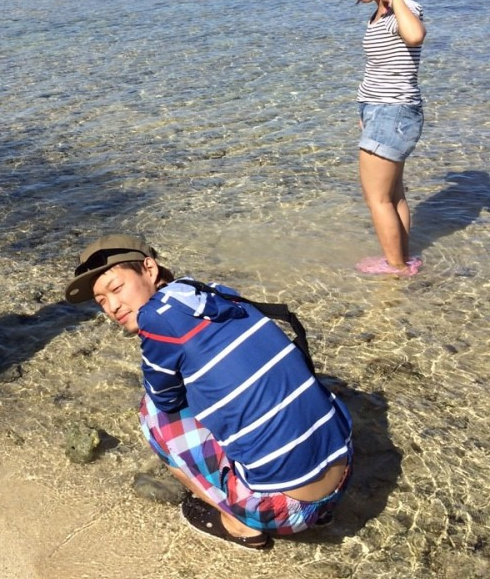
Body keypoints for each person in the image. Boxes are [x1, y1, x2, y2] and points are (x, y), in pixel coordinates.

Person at [65, 234, 353, 549]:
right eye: (101, 301)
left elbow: (165, 400)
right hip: (343, 475)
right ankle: (309, 504)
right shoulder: (214, 293)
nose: (113, 307)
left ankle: (240, 525)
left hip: (284, 512)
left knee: (152, 413)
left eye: (117, 288)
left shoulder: (155, 318)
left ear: (149, 269)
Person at [326, 0, 426, 276]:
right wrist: (366, 113)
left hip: (392, 112)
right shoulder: (380, 13)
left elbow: (415, 36)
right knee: (393, 196)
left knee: (377, 199)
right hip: (381, 112)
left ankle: (395, 268)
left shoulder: (403, 7)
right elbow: (379, 70)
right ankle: (403, 259)